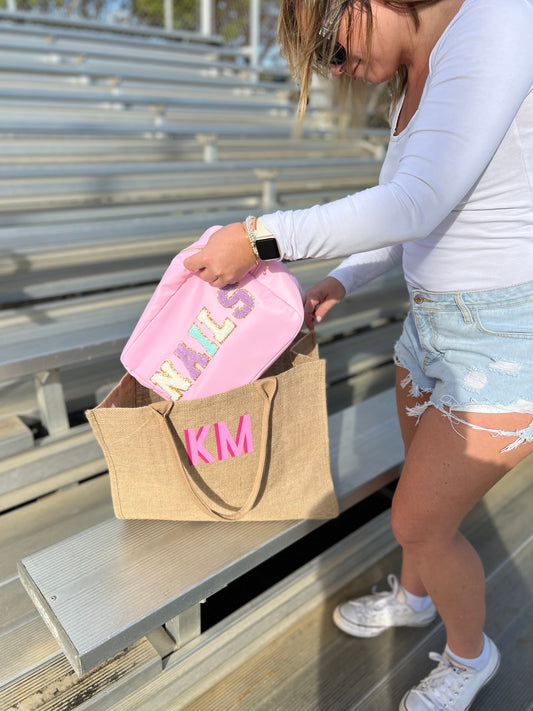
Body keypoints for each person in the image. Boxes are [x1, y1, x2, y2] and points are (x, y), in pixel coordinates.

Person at [183, 0, 533, 708]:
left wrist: (258, 235)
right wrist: (341, 279)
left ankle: (471, 657)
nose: (337, 70)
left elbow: (416, 205)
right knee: (419, 503)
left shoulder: (499, 17)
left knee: (417, 521)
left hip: (502, 341)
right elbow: (403, 212)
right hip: (430, 329)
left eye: (326, 47)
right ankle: (415, 596)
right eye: (324, 63)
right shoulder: (413, 75)